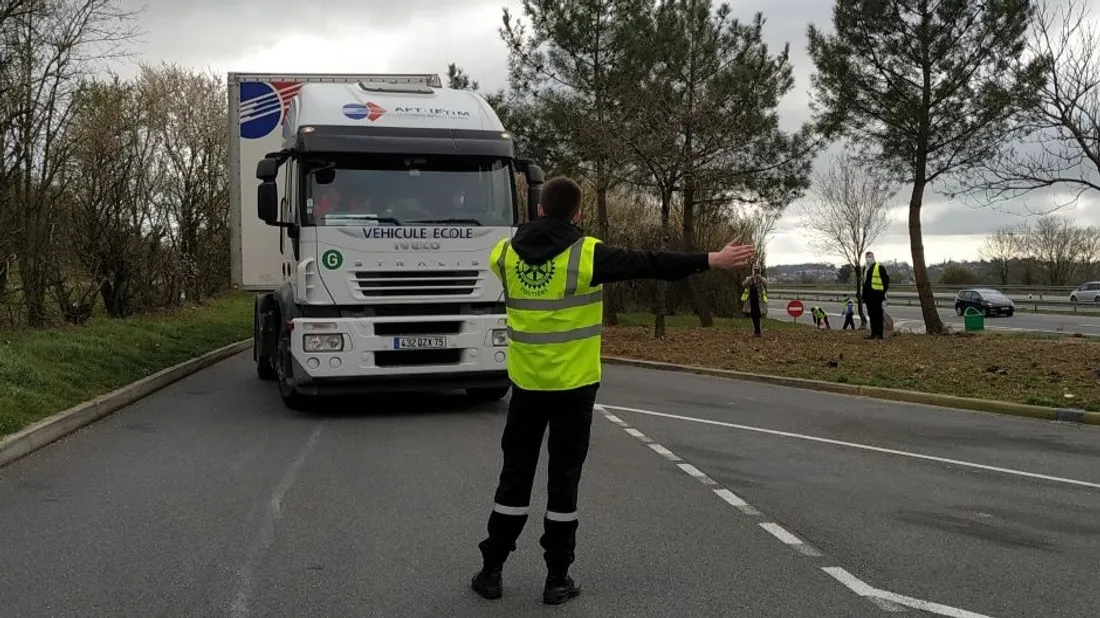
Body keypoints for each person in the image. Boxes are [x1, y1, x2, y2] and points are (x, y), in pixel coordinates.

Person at [471, 176, 755, 605]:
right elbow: (649, 261)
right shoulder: (588, 255)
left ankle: (491, 571)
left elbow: (521, 259)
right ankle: (556, 580)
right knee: (563, 483)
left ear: (540, 209)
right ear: (579, 214)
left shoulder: (504, 254)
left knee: (514, 478)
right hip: (575, 389)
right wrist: (711, 258)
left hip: (526, 387)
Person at [862, 251, 890, 339]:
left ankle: (879, 334)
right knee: (871, 315)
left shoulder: (879, 267)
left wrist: (882, 293)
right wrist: (864, 296)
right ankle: (873, 333)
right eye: (867, 257)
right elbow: (865, 283)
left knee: (878, 315)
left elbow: (886, 281)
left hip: (877, 296)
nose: (868, 259)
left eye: (870, 257)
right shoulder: (865, 268)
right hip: (868, 296)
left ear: (873, 257)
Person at [740, 266, 768, 337]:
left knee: (757, 316)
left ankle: (758, 331)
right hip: (751, 300)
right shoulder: (750, 279)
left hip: (759, 302)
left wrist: (760, 278)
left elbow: (766, 284)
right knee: (753, 315)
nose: (756, 272)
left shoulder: (762, 279)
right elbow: (743, 284)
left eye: (757, 270)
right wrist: (750, 278)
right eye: (755, 270)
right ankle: (756, 331)